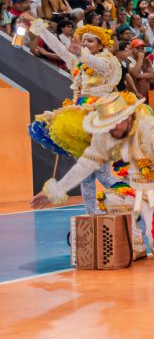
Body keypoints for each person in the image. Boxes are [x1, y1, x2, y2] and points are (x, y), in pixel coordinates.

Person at [31, 92, 154, 259]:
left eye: (115, 123)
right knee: (111, 199)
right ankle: (134, 244)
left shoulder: (153, 129)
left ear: (128, 116)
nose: (112, 129)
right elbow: (85, 165)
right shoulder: (107, 134)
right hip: (133, 188)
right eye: (107, 125)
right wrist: (55, 190)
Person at [26, 19, 125, 213]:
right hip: (80, 116)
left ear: (100, 45)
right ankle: (92, 211)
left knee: (102, 170)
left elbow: (98, 65)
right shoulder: (77, 61)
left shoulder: (107, 60)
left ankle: (131, 198)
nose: (86, 43)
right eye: (84, 40)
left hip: (101, 115)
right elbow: (60, 49)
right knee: (87, 171)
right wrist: (42, 31)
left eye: (90, 41)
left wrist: (82, 53)